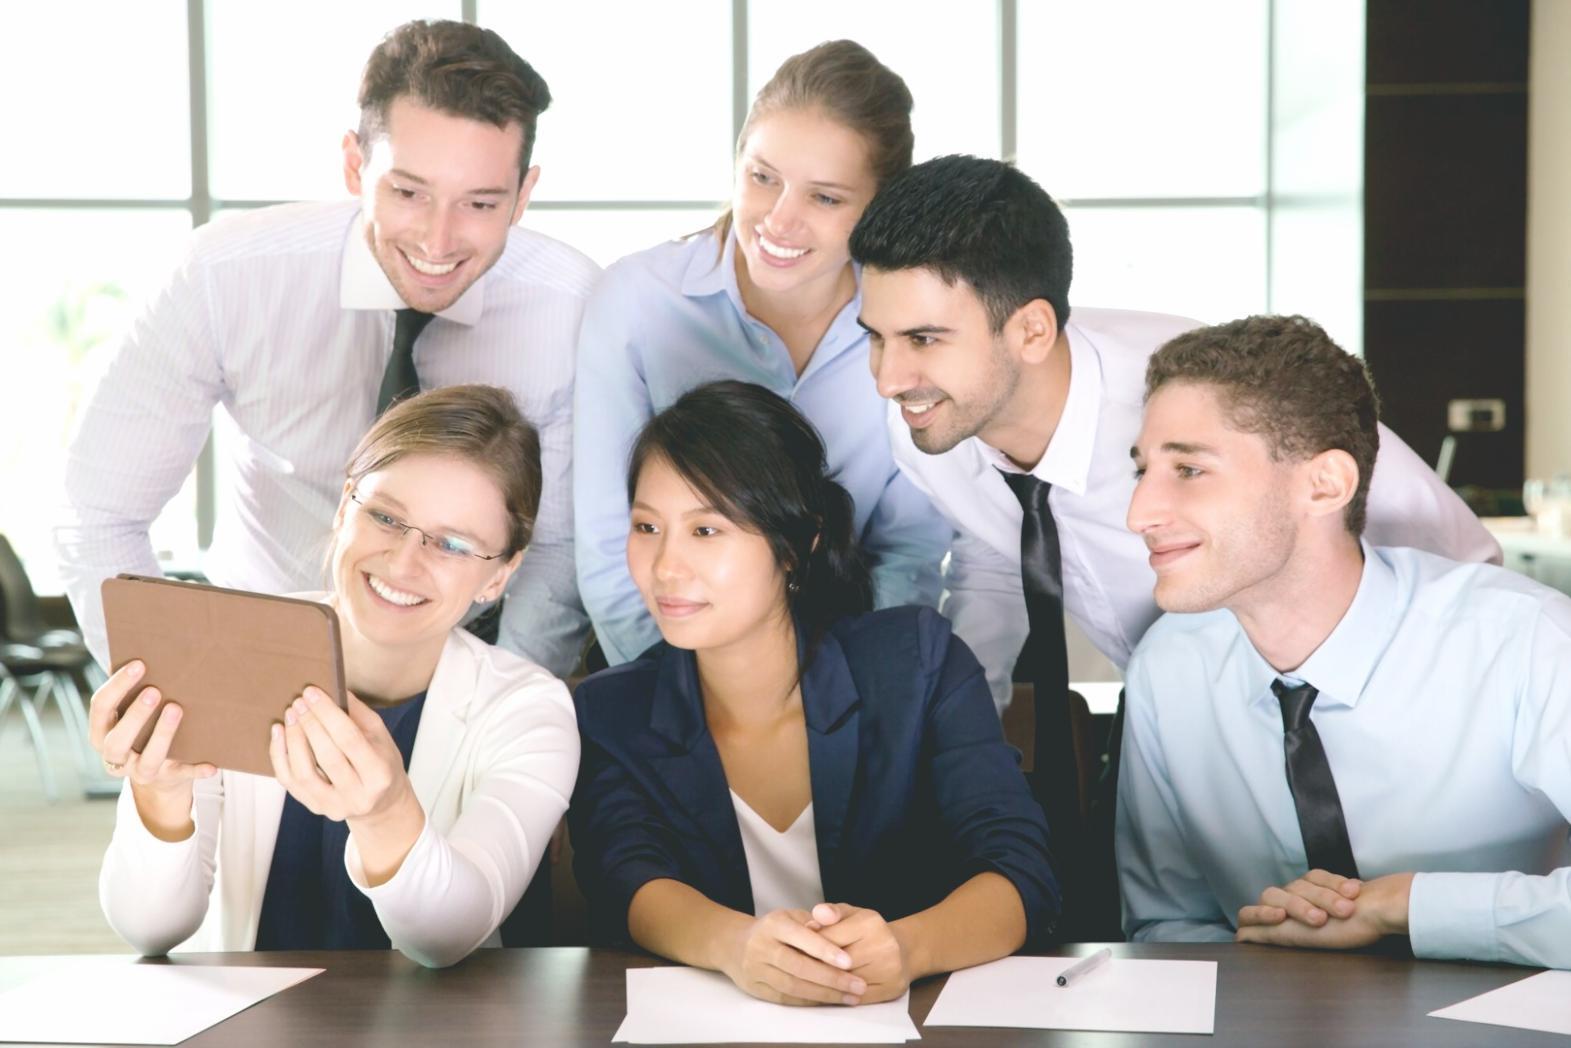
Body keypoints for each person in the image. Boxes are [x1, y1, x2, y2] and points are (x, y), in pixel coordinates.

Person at [850, 155, 1501, 939]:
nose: (888, 377)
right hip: (1192, 731)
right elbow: (996, 552)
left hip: (1376, 728)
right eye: (876, 338)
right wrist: (955, 733)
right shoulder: (928, 422)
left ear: (1029, 329)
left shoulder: (1196, 403)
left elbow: (1447, 552)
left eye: (922, 338)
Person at [57, 19, 597, 677]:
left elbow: (557, 549)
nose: (438, 239)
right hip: (262, 644)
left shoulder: (572, 307)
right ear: (353, 166)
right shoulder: (225, 276)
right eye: (407, 192)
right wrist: (184, 696)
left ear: (523, 195)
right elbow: (100, 512)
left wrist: (493, 712)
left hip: (472, 663)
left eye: (480, 204)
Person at [570, 381, 1056, 1006]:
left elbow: (1020, 868)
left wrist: (908, 950)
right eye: (646, 526)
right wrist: (735, 947)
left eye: (706, 531)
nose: (665, 567)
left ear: (799, 545)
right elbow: (624, 877)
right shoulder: (613, 710)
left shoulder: (917, 664)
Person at [1117, 316, 1570, 969]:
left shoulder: (1523, 641)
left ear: (1323, 484)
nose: (1139, 514)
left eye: (1188, 469)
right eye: (1142, 470)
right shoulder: (1169, 664)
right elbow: (1166, 924)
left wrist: (1405, 907)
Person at [91, 385, 579, 968]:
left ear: (500, 575)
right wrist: (160, 793)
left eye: (452, 544)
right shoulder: (223, 649)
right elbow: (149, 930)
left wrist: (386, 813)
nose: (403, 562)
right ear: (345, 507)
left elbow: (448, 937)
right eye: (386, 517)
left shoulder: (529, 710)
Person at [573, 40, 948, 666]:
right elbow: (610, 548)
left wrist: (856, 698)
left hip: (853, 671)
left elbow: (908, 551)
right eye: (762, 177)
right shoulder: (637, 302)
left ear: (880, 205)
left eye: (825, 198)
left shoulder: (917, 325)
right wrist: (683, 709)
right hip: (663, 668)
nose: (779, 220)